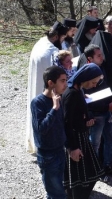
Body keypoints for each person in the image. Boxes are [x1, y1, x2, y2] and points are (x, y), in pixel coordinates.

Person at [81, 44, 112, 180]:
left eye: (102, 55)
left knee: (110, 138)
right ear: (89, 59)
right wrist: (107, 107)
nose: (102, 58)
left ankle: (107, 166)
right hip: (97, 114)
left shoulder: (101, 68)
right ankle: (93, 171)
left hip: (107, 113)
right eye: (98, 56)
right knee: (95, 143)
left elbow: (104, 89)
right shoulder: (86, 73)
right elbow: (87, 99)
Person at [63, 63, 104, 198]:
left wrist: (87, 119)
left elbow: (79, 113)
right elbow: (67, 122)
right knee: (79, 180)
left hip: (81, 136)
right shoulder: (71, 94)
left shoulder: (78, 90)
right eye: (93, 82)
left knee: (88, 177)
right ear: (85, 78)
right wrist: (73, 147)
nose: (94, 85)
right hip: (75, 140)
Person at [26, 21, 67, 153]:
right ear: (56, 37)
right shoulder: (52, 51)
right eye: (62, 38)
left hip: (37, 87)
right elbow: (58, 72)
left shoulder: (40, 43)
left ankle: (34, 142)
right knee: (46, 121)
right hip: (48, 91)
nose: (62, 41)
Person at [31, 66, 68, 199]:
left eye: (66, 80)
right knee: (57, 194)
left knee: (56, 191)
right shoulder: (37, 103)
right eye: (62, 81)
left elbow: (61, 125)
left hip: (60, 150)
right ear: (51, 83)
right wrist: (54, 109)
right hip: (48, 156)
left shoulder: (59, 98)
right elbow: (41, 129)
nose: (66, 84)